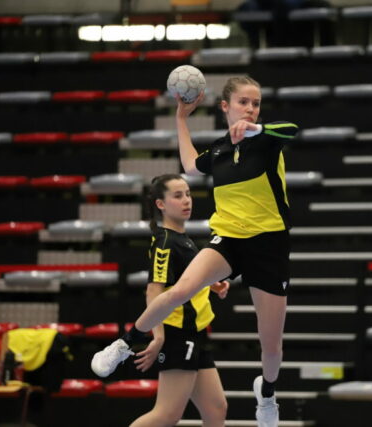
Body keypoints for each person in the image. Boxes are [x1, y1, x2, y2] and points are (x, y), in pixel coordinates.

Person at [92, 76, 298, 427]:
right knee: (181, 289)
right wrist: (181, 118)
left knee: (271, 346)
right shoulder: (218, 150)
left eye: (256, 103)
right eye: (243, 102)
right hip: (229, 239)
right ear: (225, 107)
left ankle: (266, 395)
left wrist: (257, 128)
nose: (250, 108)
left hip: (269, 247)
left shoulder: (268, 140)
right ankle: (125, 344)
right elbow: (190, 165)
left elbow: (291, 129)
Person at [94, 174, 230, 427]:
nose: (186, 200)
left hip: (196, 332)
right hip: (178, 333)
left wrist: (213, 285)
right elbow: (154, 291)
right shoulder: (165, 242)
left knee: (216, 409)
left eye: (188, 194)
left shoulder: (184, 239)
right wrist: (158, 336)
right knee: (167, 414)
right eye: (177, 196)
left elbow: (184, 280)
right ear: (161, 204)